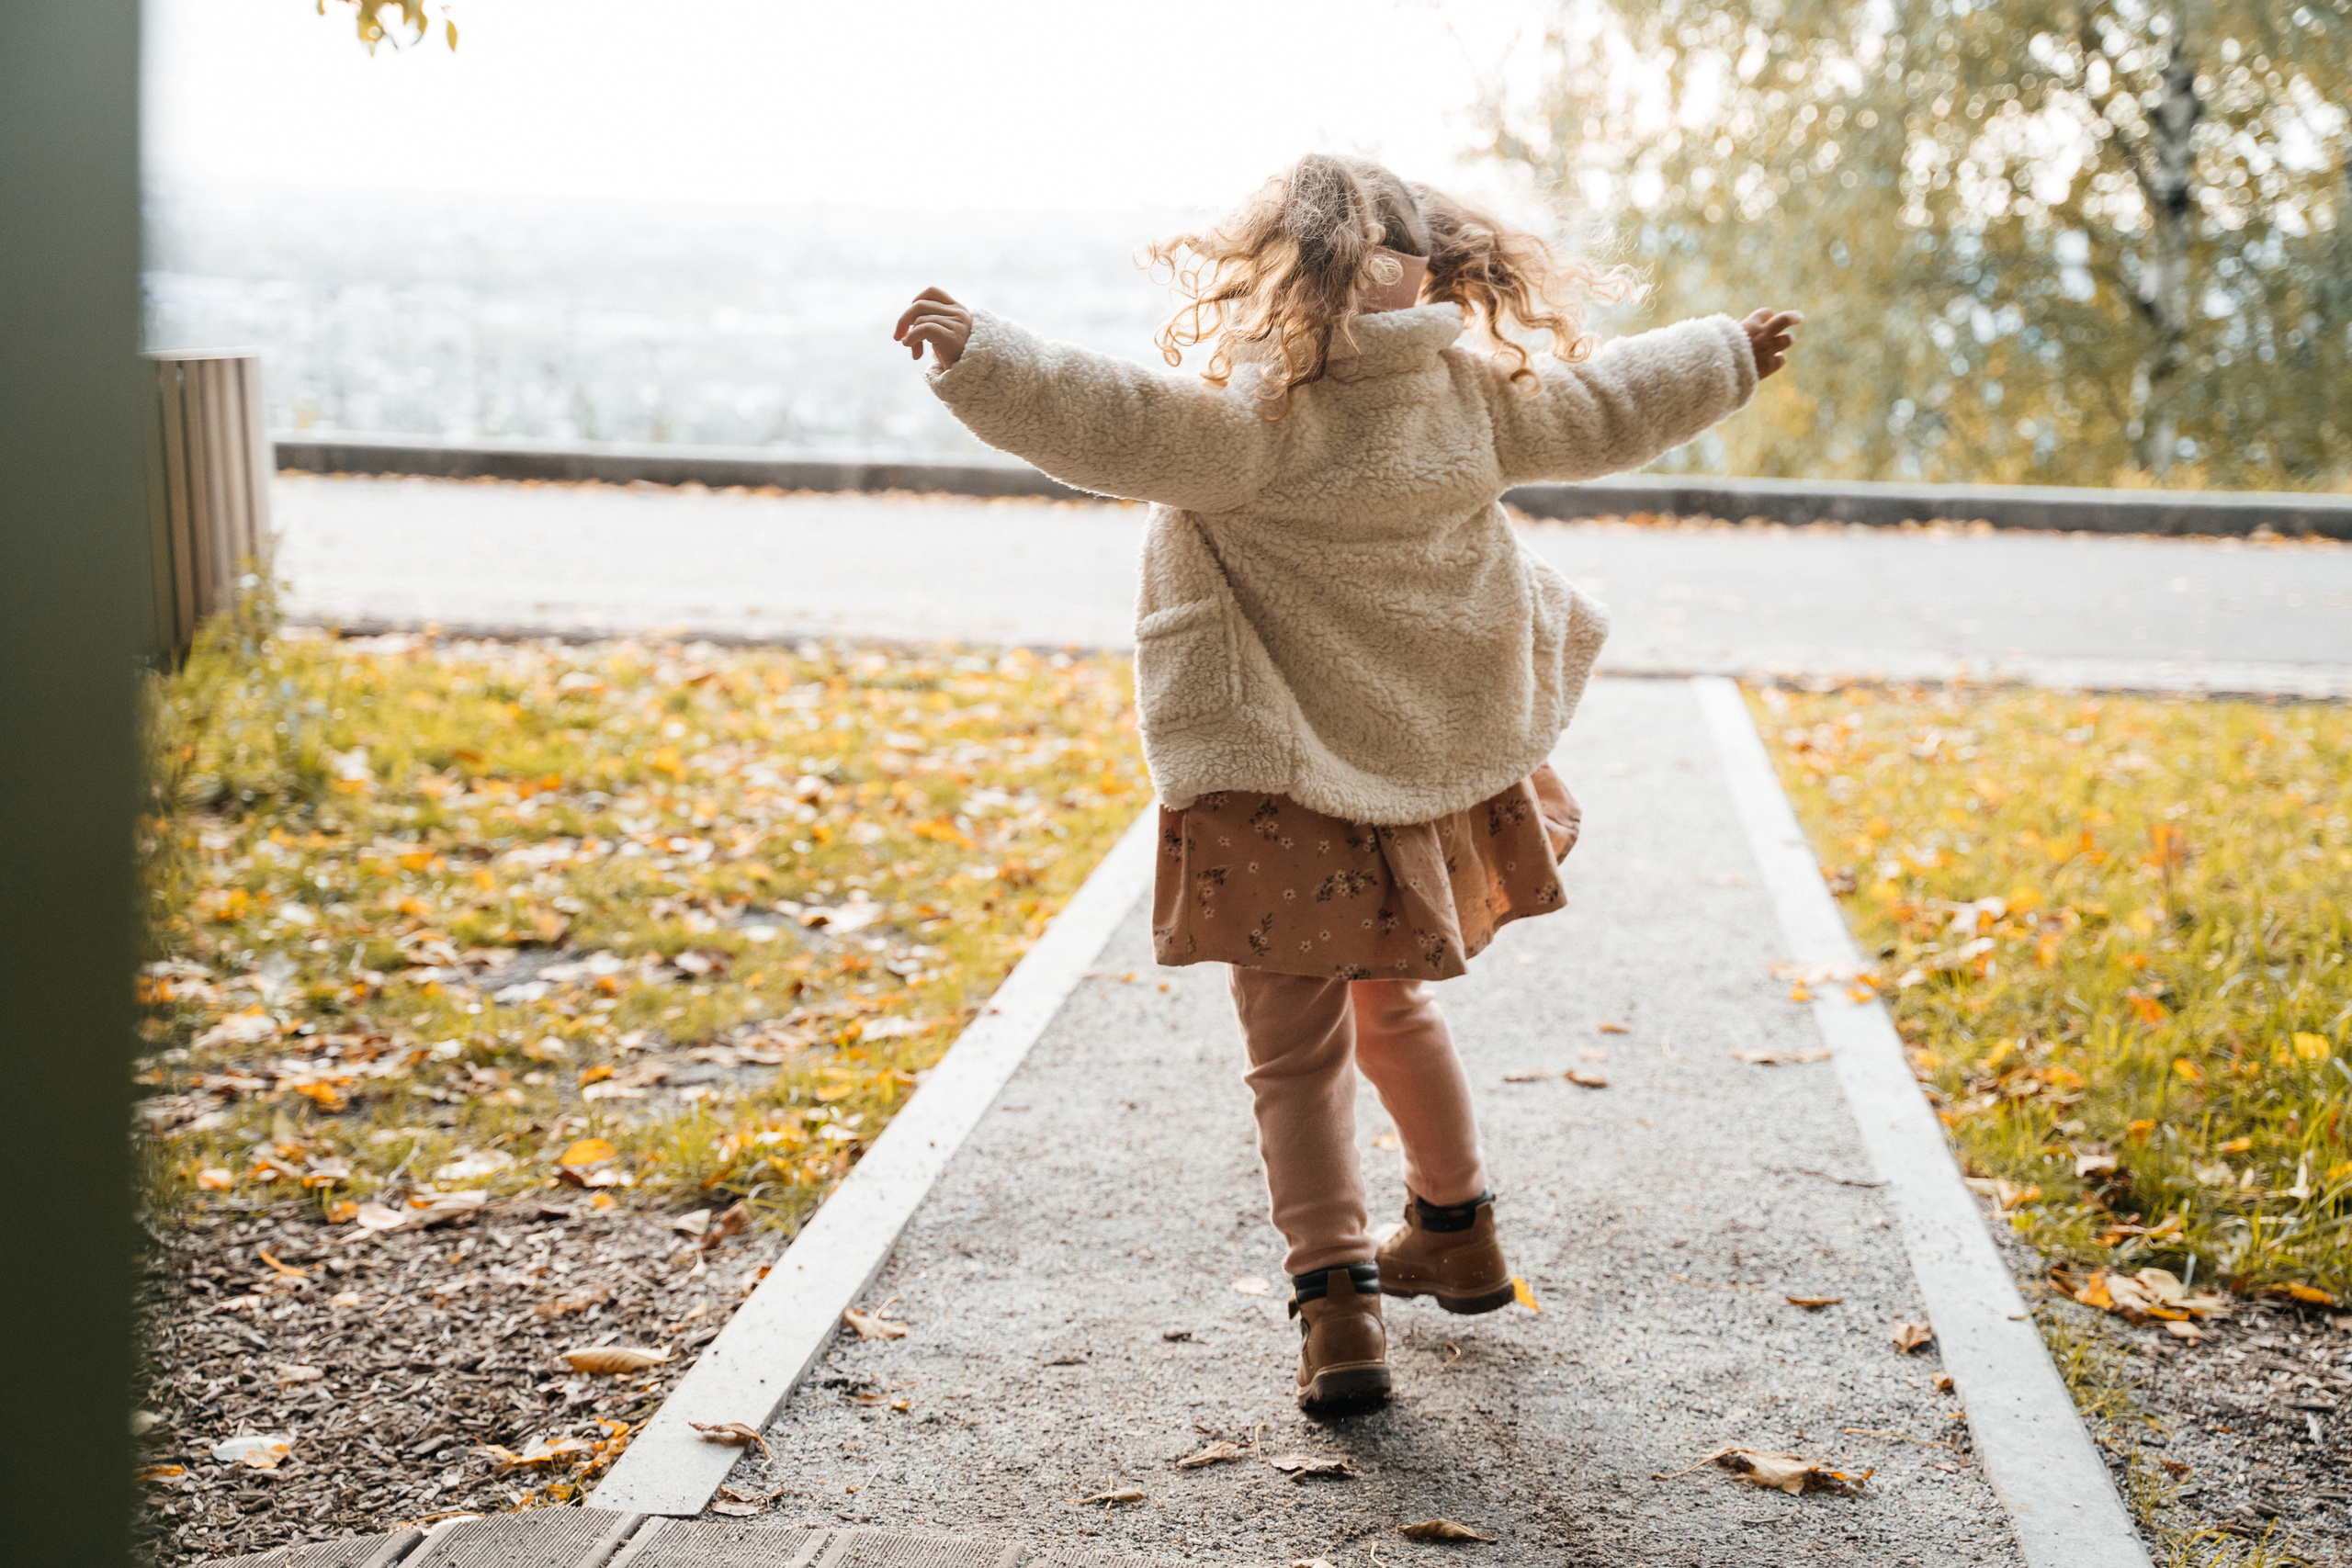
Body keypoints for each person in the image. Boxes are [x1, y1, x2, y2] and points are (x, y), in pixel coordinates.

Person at [893, 153, 1799, 1411]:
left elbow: (1108, 416)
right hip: (1419, 770)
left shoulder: (1257, 426)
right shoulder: (1472, 398)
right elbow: (1604, 405)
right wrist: (1725, 353)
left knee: (1292, 1052)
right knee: (1394, 1004)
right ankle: (1456, 1230)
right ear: (1436, 270)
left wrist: (983, 355)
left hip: (1279, 780)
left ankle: (1338, 1309)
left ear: (1281, 272)